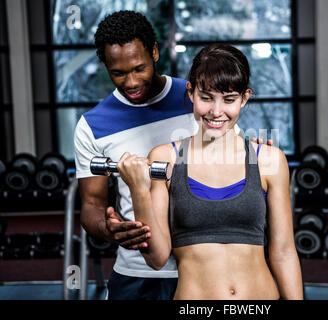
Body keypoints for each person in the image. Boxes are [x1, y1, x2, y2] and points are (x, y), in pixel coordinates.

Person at [74, 11, 268, 300]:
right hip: (139, 272)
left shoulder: (199, 98)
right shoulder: (92, 125)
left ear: (154, 52)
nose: (131, 82)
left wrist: (256, 150)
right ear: (105, 66)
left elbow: (236, 161)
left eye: (139, 68)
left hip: (203, 271)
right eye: (118, 73)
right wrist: (108, 228)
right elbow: (91, 205)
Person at [117, 44, 303, 299]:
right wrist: (139, 190)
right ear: (191, 93)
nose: (216, 112)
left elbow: (283, 252)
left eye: (229, 100)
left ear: (245, 98)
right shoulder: (165, 158)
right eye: (206, 98)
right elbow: (157, 258)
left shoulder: (269, 160)